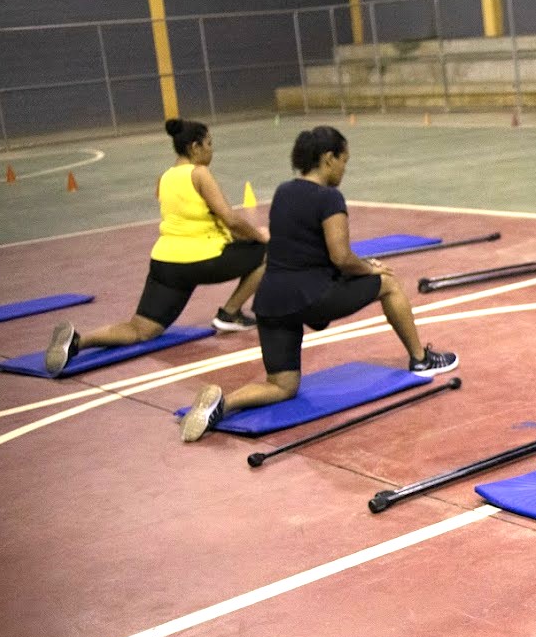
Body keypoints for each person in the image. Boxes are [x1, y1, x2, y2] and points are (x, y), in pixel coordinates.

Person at [179, 126, 457, 442]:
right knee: (388, 283)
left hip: (271, 301)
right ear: (328, 159)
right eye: (343, 161)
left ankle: (221, 405)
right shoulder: (329, 198)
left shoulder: (283, 191)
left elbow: (297, 249)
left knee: (281, 385)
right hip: (311, 296)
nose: (344, 169)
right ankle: (421, 359)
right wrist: (370, 268)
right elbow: (341, 257)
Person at [44, 118, 268, 375]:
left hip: (165, 265)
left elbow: (198, 221)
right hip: (201, 260)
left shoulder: (164, 178)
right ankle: (230, 314)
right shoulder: (199, 173)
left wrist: (244, 237)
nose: (211, 150)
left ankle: (78, 341)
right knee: (271, 253)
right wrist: (261, 237)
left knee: (141, 330)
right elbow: (230, 219)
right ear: (195, 147)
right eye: (209, 144)